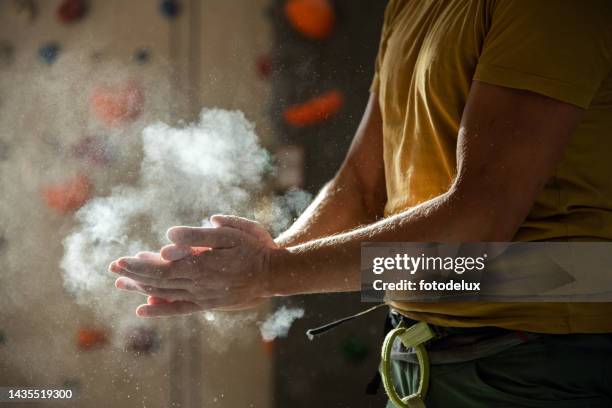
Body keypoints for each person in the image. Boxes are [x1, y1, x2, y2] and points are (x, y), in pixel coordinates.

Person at [108, 0, 612, 406]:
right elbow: (360, 185)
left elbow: (478, 225)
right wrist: (265, 260)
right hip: (423, 353)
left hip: (540, 358)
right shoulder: (409, 6)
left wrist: (270, 272)